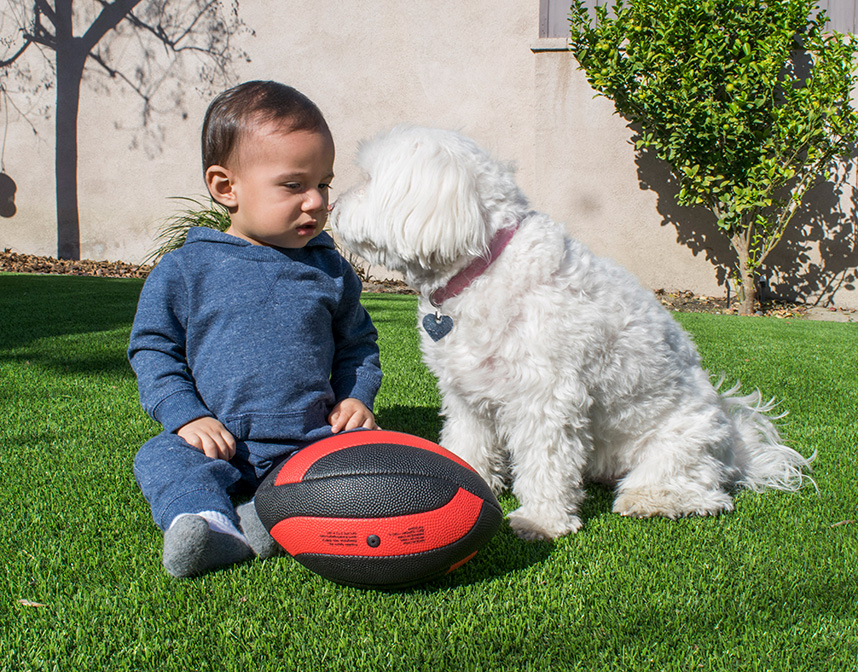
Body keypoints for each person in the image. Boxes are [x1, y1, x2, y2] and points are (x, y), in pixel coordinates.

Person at [128, 81, 382, 577]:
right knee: (161, 459)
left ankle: (269, 514)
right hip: (217, 436)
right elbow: (153, 350)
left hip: (310, 436)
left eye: (323, 184)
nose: (316, 201)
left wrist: (357, 398)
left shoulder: (329, 271)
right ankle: (204, 522)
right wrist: (187, 418)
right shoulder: (186, 270)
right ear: (227, 187)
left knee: (365, 462)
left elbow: (358, 346)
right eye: (293, 185)